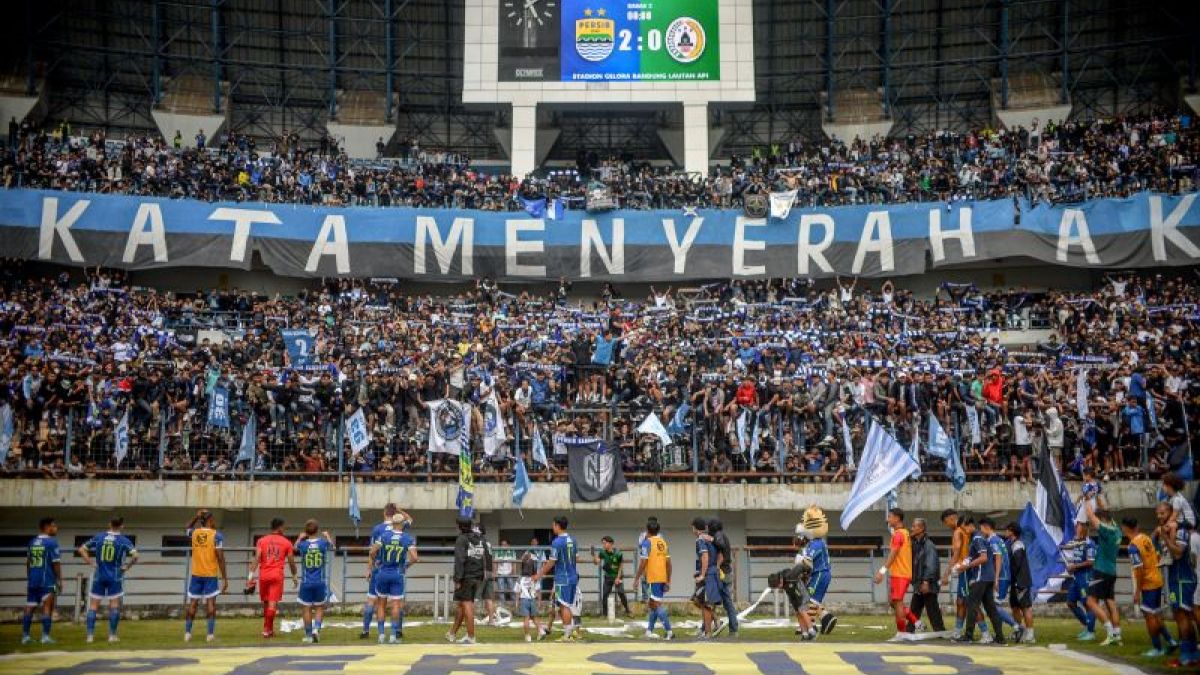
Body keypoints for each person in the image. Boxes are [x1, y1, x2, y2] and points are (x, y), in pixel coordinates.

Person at [79, 516, 139, 643]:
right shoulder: (123, 540)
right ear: (122, 526)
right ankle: (112, 636)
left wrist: (91, 562)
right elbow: (135, 555)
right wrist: (127, 567)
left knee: (94, 606)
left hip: (99, 575)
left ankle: (90, 636)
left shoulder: (99, 537)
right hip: (115, 575)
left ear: (109, 524)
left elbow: (82, 549)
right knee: (114, 606)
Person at [952, 516, 1005, 644]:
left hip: (981, 577)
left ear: (969, 525)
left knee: (971, 604)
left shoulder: (977, 538)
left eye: (964, 528)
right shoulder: (979, 538)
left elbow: (983, 557)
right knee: (990, 608)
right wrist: (962, 565)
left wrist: (967, 566)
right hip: (989, 577)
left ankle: (968, 636)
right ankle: (1000, 638)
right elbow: (972, 556)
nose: (963, 531)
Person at [1127, 513, 1172, 657]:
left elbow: (1139, 570)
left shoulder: (1133, 547)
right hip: (1157, 579)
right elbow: (1153, 543)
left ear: (1125, 529)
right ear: (1138, 526)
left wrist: (1137, 591)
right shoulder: (1145, 538)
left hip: (1148, 584)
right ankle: (1170, 641)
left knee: (1149, 616)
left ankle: (1157, 648)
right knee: (1156, 614)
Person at [1160, 501, 1199, 667]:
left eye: (1162, 513)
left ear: (1171, 513)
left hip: (1183, 579)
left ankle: (1187, 654)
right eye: (1157, 514)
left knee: (1184, 617)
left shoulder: (1181, 531)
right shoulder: (1170, 530)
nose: (1159, 517)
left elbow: (1177, 553)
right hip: (1175, 579)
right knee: (1179, 616)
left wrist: (1165, 538)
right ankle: (1191, 653)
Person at [370, 512, 418, 643]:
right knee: (396, 604)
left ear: (392, 523)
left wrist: (376, 562)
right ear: (402, 524)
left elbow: (372, 551)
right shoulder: (407, 538)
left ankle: (380, 634)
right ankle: (392, 635)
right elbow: (415, 557)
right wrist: (406, 565)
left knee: (381, 603)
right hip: (397, 573)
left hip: (383, 571)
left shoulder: (384, 535)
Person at [873, 507, 919, 639]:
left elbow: (893, 554)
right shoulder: (905, 533)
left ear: (897, 518)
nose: (888, 519)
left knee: (897, 602)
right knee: (893, 602)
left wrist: (881, 571)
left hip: (900, 573)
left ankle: (902, 633)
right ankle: (916, 622)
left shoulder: (898, 534)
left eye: (890, 517)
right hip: (902, 573)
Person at [535, 515, 582, 642]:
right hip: (573, 576)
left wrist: (539, 574)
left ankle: (567, 635)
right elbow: (577, 558)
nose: (552, 527)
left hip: (563, 578)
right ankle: (569, 633)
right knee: (567, 605)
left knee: (563, 606)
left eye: (553, 525)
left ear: (557, 525)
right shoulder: (573, 540)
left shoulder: (557, 542)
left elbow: (551, 562)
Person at [361, 503, 406, 639]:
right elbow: (410, 520)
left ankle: (366, 631)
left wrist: (370, 568)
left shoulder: (378, 529)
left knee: (372, 600)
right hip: (396, 569)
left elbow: (372, 550)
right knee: (397, 602)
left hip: (379, 568)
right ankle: (397, 630)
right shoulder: (401, 530)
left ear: (384, 513)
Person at [1082, 501, 1123, 646]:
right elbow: (1102, 513)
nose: (1094, 525)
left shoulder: (1106, 529)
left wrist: (1087, 499)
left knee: (1090, 602)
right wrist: (1098, 497)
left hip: (1101, 570)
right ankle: (1117, 634)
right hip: (1111, 571)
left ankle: (1110, 632)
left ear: (1102, 519)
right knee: (1110, 602)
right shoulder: (1117, 529)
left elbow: (1091, 515)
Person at [184, 509, 228, 642]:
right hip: (210, 574)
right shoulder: (216, 535)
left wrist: (195, 517)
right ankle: (210, 635)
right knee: (211, 604)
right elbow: (220, 557)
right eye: (213, 519)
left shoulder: (195, 533)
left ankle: (187, 633)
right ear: (210, 520)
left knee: (193, 604)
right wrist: (225, 577)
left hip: (196, 574)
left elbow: (186, 528)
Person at [249, 517, 296, 638]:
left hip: (264, 574)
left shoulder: (261, 540)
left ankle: (268, 629)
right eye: (284, 526)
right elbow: (291, 561)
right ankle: (267, 629)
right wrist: (294, 575)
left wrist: (250, 575)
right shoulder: (286, 542)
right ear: (280, 527)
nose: (285, 529)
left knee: (266, 602)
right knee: (272, 603)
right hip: (276, 575)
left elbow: (257, 557)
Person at [22, 517, 61, 644]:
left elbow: (28, 562)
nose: (56, 528)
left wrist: (30, 577)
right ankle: (45, 637)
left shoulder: (32, 542)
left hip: (33, 579)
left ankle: (25, 636)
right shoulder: (52, 543)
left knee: (30, 605)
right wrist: (59, 580)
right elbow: (56, 563)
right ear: (47, 527)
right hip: (47, 580)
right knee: (47, 606)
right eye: (54, 526)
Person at [447, 516, 485, 644]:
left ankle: (471, 635)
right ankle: (452, 633)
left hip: (466, 576)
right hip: (478, 575)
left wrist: (458, 579)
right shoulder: (479, 538)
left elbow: (460, 560)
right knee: (462, 605)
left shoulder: (461, 539)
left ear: (459, 526)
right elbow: (483, 556)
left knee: (467, 604)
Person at [295, 520, 335, 643]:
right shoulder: (322, 543)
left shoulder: (303, 545)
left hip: (306, 581)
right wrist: (328, 536)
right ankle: (316, 629)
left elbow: (294, 547)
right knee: (319, 607)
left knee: (306, 608)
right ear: (317, 531)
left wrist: (299, 538)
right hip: (320, 581)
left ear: (306, 532)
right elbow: (332, 546)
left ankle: (308, 634)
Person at [635, 516, 673, 640]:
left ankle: (669, 631)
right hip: (662, 577)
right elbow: (669, 563)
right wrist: (668, 579)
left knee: (656, 605)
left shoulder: (647, 543)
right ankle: (649, 631)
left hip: (653, 577)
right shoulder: (663, 542)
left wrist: (636, 578)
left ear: (647, 530)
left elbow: (643, 562)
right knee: (652, 604)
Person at [909, 517, 945, 633]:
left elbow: (931, 564)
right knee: (915, 608)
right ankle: (909, 629)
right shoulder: (916, 544)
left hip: (927, 583)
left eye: (914, 526)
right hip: (919, 583)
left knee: (932, 609)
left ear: (922, 528)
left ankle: (939, 631)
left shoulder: (928, 545)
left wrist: (926, 581)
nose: (912, 528)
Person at [940, 509, 971, 638]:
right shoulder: (965, 530)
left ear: (951, 518)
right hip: (965, 569)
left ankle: (985, 633)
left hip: (966, 570)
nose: (946, 525)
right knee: (961, 601)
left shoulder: (958, 531)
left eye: (946, 522)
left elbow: (956, 553)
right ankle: (958, 631)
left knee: (969, 602)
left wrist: (946, 573)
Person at [1003, 522, 1035, 644]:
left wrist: (1015, 579)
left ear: (1012, 531)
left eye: (1007, 530)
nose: (1005, 532)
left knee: (1025, 607)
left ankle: (1030, 633)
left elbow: (1017, 563)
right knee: (1015, 607)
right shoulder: (1010, 544)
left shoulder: (1018, 545)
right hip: (1014, 581)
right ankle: (1019, 630)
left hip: (1021, 581)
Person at [1063, 535, 1097, 640]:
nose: (1076, 528)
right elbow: (1077, 560)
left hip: (1086, 577)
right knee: (1070, 602)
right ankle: (1087, 625)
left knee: (1088, 604)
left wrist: (1075, 566)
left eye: (1079, 525)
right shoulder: (1077, 543)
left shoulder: (1089, 543)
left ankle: (1090, 632)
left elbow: (1091, 561)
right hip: (1076, 577)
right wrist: (1071, 567)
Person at [709, 518, 739, 636]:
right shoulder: (721, 535)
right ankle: (709, 626)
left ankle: (733, 628)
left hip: (723, 573)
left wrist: (711, 539)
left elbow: (720, 545)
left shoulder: (719, 535)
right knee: (713, 601)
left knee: (725, 602)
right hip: (724, 572)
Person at [690, 517, 719, 639]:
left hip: (708, 574)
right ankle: (716, 622)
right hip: (711, 572)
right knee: (698, 600)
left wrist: (702, 574)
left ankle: (707, 632)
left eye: (692, 528)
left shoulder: (700, 540)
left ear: (696, 529)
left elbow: (705, 556)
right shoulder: (711, 539)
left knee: (706, 603)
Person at [593, 536, 631, 617]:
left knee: (621, 592)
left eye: (605, 543)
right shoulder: (602, 552)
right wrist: (594, 556)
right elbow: (597, 562)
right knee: (605, 594)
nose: (603, 545)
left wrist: (618, 577)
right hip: (608, 577)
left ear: (610, 544)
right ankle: (604, 614)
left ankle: (628, 611)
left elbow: (621, 566)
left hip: (617, 576)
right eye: (602, 543)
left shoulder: (618, 554)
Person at [517, 542, 543, 642]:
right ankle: (540, 631)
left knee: (526, 619)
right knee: (535, 618)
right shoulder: (534, 578)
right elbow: (538, 591)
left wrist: (516, 602)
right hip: (533, 600)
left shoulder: (520, 579)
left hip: (524, 600)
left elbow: (517, 592)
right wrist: (539, 602)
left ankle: (528, 636)